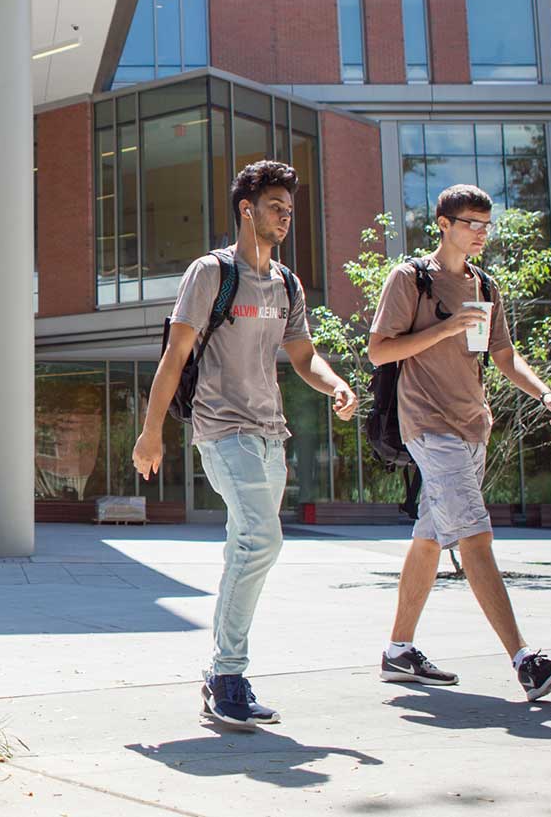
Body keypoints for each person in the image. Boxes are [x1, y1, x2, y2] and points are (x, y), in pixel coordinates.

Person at [132, 160, 358, 728]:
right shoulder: (212, 273)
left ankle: (220, 675)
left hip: (270, 436)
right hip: (222, 429)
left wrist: (335, 384)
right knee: (261, 539)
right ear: (246, 210)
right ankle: (228, 673)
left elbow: (303, 356)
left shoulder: (287, 284)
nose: (285, 217)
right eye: (275, 207)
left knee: (244, 547)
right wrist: (151, 432)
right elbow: (175, 355)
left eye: (290, 210)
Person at [367, 183, 551, 702]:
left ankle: (398, 651)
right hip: (428, 424)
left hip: (473, 426)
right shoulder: (411, 279)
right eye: (471, 224)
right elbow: (379, 351)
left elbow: (503, 355)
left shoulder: (485, 285)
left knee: (431, 538)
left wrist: (544, 392)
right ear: (443, 224)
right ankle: (526, 662)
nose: (482, 233)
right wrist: (446, 329)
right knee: (475, 536)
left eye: (486, 225)